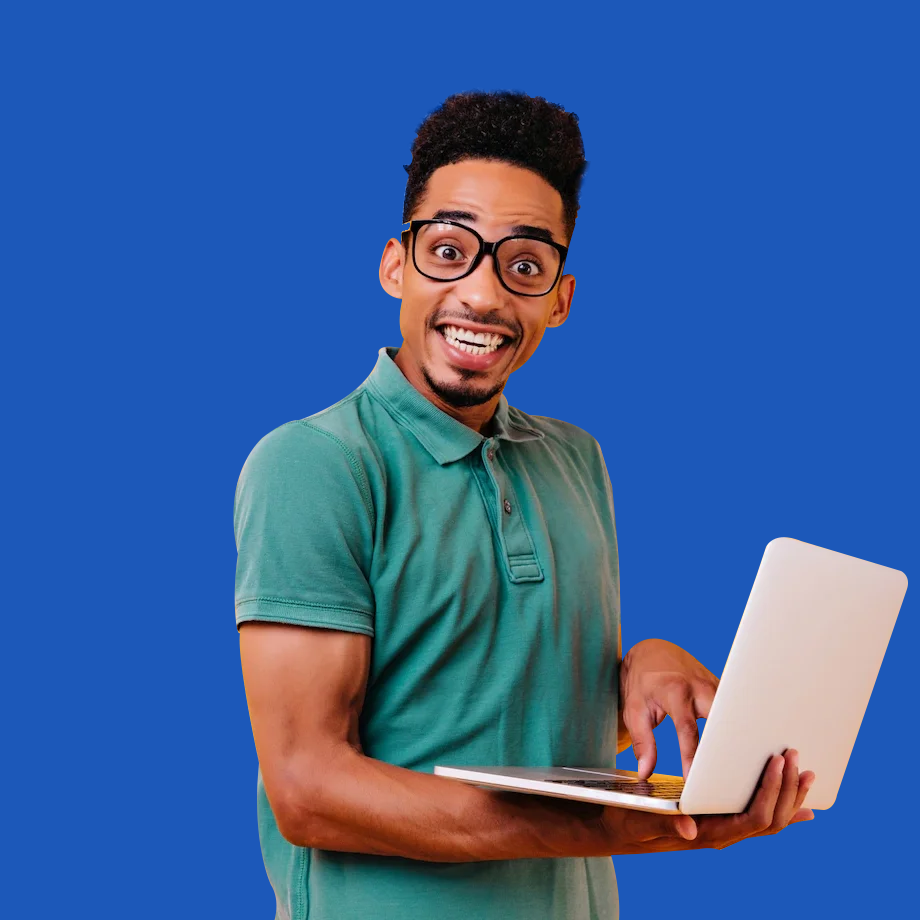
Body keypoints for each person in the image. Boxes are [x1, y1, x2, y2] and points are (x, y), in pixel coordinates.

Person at [234, 91, 814, 920]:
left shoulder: (575, 459)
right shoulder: (316, 464)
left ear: (560, 299)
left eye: (525, 266)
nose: (483, 294)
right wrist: (633, 829)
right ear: (396, 263)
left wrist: (640, 671)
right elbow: (309, 788)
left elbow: (530, 730)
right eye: (449, 250)